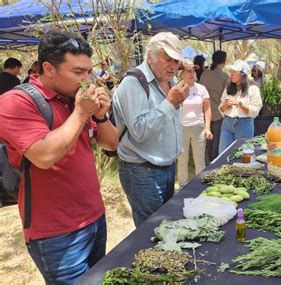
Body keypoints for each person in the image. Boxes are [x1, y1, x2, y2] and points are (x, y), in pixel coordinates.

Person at [0, 30, 119, 285]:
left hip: (95, 217)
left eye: (88, 72)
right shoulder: (17, 101)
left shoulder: (73, 100)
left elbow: (111, 143)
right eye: (78, 72)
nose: (86, 80)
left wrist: (100, 115)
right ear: (48, 68)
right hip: (56, 233)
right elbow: (44, 156)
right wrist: (80, 112)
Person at [112, 32, 189, 227]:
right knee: (151, 231)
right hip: (142, 171)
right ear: (150, 57)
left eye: (176, 61)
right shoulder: (133, 83)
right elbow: (139, 130)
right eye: (167, 58)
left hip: (166, 167)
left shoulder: (169, 82)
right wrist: (170, 102)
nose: (173, 65)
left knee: (166, 225)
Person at [177, 61, 213, 187]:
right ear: (181, 74)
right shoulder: (177, 88)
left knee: (199, 159)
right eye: (188, 71)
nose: (192, 73)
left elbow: (207, 109)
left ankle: (199, 186)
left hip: (198, 126)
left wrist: (207, 128)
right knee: (182, 159)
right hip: (181, 127)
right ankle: (182, 185)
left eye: (193, 70)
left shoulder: (201, 89)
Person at [218, 60, 262, 153]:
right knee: (223, 154)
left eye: (234, 72)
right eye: (231, 71)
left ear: (242, 74)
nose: (231, 74)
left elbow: (255, 111)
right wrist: (224, 106)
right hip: (227, 123)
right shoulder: (228, 88)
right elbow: (221, 108)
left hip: (244, 124)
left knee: (243, 155)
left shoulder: (253, 89)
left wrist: (239, 103)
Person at [200, 51, 230, 162]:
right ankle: (214, 160)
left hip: (205, 111)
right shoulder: (225, 77)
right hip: (219, 113)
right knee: (217, 138)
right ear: (224, 60)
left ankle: (208, 158)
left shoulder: (204, 74)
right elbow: (228, 96)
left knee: (207, 138)